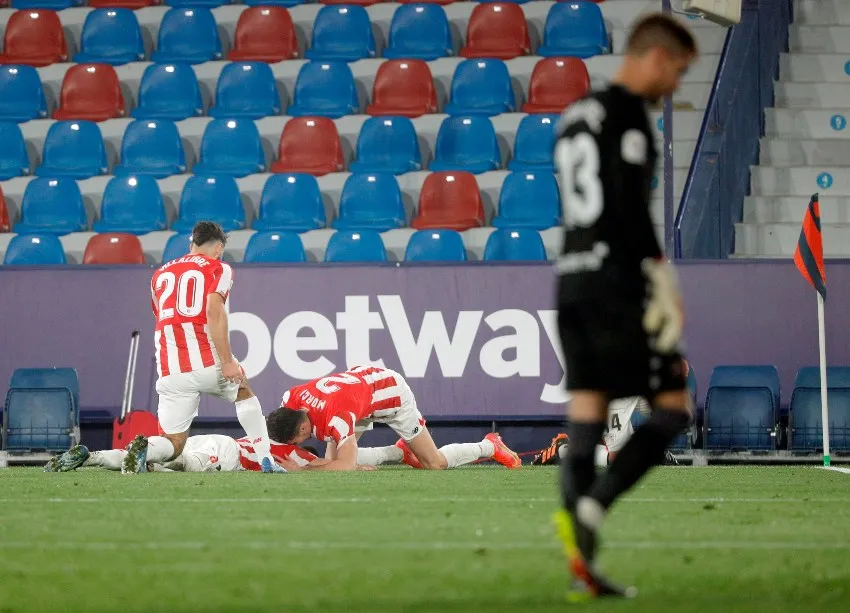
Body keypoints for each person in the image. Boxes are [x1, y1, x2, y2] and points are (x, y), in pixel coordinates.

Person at [552, 13, 698, 598]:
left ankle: (582, 568)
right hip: (617, 282)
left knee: (587, 411)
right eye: (679, 71)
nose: (677, 86)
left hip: (572, 281)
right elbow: (631, 211)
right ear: (657, 57)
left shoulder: (572, 118)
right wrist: (661, 279)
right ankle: (594, 506)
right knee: (672, 406)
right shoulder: (630, 118)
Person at [124, 221, 283, 474]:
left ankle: (146, 448)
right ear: (218, 248)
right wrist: (228, 360)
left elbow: (161, 318)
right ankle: (266, 460)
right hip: (207, 361)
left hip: (171, 369)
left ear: (192, 245)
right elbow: (213, 312)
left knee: (173, 444)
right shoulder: (219, 268)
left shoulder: (160, 274)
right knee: (243, 391)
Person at [266, 365, 522, 471]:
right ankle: (400, 453)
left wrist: (303, 469)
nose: (300, 443)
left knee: (434, 463)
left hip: (391, 395)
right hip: (359, 393)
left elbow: (343, 467)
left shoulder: (337, 419)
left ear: (301, 426)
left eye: (297, 439)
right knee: (331, 462)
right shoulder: (292, 397)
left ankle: (490, 445)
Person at [44, 435, 383, 473]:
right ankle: (146, 455)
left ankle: (89, 457)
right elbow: (325, 463)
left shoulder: (265, 437)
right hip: (226, 452)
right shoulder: (295, 453)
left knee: (159, 463)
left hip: (216, 440)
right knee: (190, 464)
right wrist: (352, 467)